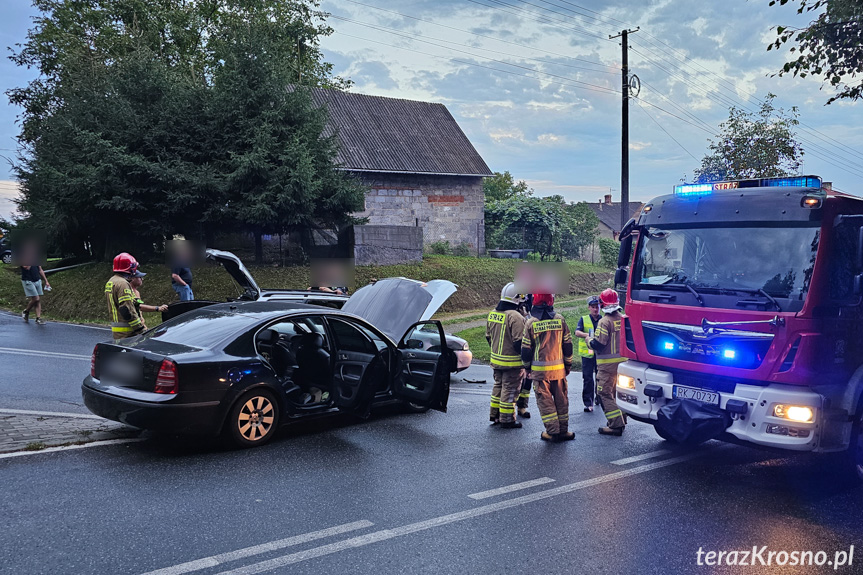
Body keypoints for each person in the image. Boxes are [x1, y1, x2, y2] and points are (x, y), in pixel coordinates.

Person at [521, 293, 574, 442]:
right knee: (561, 400)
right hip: (559, 370)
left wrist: (527, 368)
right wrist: (568, 364)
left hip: (540, 372)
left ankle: (552, 432)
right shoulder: (560, 319)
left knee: (545, 401)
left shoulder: (531, 322)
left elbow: (526, 350)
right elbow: (568, 345)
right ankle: (563, 431)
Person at [486, 282, 527, 429]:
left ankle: (495, 415)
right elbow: (519, 343)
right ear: (516, 299)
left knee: (498, 387)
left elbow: (488, 337)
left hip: (496, 361)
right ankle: (507, 419)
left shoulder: (493, 313)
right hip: (512, 364)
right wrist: (527, 359)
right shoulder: (515, 317)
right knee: (510, 391)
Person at [589, 288, 627, 436]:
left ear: (602, 303)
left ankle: (615, 424)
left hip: (607, 366)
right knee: (619, 393)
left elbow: (599, 343)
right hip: (623, 364)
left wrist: (589, 341)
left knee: (604, 392)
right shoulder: (623, 318)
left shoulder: (604, 321)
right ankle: (622, 420)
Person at [106, 253, 145, 340]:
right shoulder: (123, 283)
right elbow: (126, 309)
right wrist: (140, 329)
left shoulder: (111, 281)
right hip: (128, 332)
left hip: (118, 331)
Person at [574, 295, 602, 412]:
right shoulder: (584, 319)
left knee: (600, 378)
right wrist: (587, 335)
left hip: (600, 354)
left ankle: (599, 398)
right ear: (589, 308)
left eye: (597, 307)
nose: (596, 309)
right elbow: (577, 332)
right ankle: (588, 402)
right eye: (593, 307)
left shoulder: (602, 319)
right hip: (587, 354)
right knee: (588, 378)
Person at [21, 260, 50, 325]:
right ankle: (26, 311)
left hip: (37, 279)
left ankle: (38, 318)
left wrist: (46, 281)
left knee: (38, 300)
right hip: (28, 280)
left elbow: (40, 270)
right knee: (36, 298)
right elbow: (26, 268)